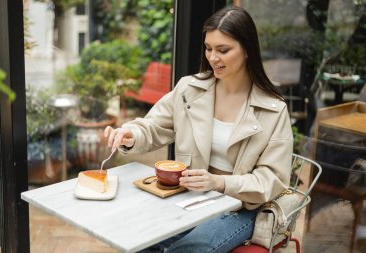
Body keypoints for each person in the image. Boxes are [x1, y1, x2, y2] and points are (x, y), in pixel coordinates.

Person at [104, 6, 293, 253]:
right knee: (137, 239)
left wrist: (218, 182)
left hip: (239, 208)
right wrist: (131, 135)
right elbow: (153, 126)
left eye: (223, 50)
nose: (213, 57)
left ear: (247, 49)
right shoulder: (189, 89)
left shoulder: (273, 109)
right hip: (188, 198)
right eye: (209, 48)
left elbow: (272, 180)